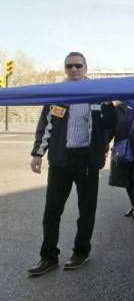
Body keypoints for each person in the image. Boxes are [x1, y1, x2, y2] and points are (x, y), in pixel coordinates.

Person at [28, 52, 116, 276]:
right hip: (60, 160)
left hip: (87, 160)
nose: (74, 69)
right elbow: (45, 126)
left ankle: (81, 252)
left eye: (78, 65)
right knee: (51, 212)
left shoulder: (98, 94)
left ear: (86, 67)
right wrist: (38, 153)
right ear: (65, 69)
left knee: (86, 210)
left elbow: (112, 124)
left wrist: (101, 145)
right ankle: (48, 257)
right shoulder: (58, 94)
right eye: (69, 66)